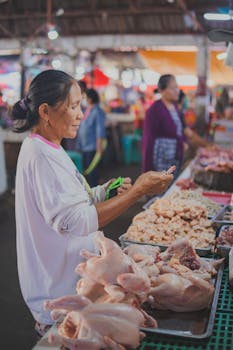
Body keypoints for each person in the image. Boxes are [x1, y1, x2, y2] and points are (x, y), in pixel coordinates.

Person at [12, 69, 174, 335]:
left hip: (73, 283)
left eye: (81, 106)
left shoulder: (51, 147)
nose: (80, 115)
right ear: (45, 111)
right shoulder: (41, 156)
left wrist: (102, 193)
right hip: (59, 296)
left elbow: (70, 202)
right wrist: (137, 192)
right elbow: (75, 221)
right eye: (73, 107)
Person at [142, 74, 186, 178]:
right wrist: (147, 170)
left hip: (174, 158)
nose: (177, 91)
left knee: (172, 187)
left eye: (177, 87)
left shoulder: (175, 108)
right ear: (162, 90)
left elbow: (179, 131)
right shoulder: (154, 111)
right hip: (160, 160)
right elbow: (148, 139)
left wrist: (184, 142)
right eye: (173, 87)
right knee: (159, 189)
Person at [76, 88, 106, 186]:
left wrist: (99, 146)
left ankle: (95, 197)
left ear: (90, 98)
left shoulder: (98, 112)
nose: (84, 99)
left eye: (85, 97)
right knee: (86, 173)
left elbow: (100, 130)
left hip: (92, 147)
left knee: (92, 173)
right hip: (85, 146)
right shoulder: (88, 110)